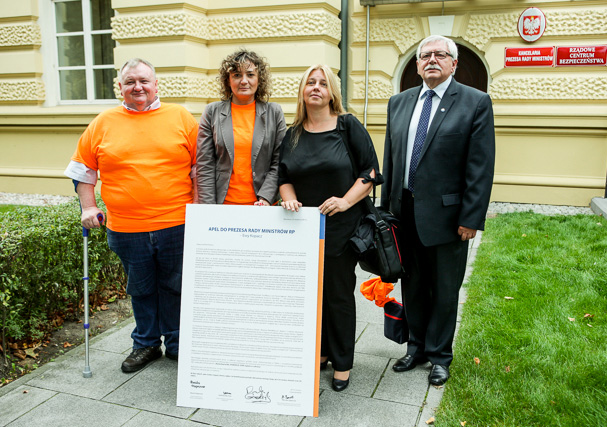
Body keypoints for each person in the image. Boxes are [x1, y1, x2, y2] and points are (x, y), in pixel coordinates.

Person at [64, 58, 198, 373]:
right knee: (141, 287)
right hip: (126, 227)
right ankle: (146, 344)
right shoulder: (102, 122)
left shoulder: (180, 117)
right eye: (130, 82)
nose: (137, 87)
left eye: (144, 81)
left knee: (175, 285)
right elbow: (83, 171)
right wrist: (88, 206)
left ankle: (178, 343)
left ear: (156, 84)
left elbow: (199, 170)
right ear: (120, 87)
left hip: (177, 223)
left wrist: (200, 209)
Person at [380, 35, 495, 385]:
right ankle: (416, 348)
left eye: (440, 55)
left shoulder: (475, 102)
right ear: (417, 65)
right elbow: (392, 157)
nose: (432, 59)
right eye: (425, 55)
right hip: (405, 213)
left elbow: (480, 166)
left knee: (445, 289)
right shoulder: (398, 103)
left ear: (453, 63)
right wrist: (385, 211)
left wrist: (471, 217)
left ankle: (440, 356)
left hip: (448, 218)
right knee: (412, 285)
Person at [278, 65, 382, 392]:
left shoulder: (347, 126)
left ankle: (343, 362)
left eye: (323, 83)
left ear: (332, 91)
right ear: (302, 90)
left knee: (337, 296)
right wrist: (289, 200)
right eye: (311, 82)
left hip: (340, 228)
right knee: (311, 295)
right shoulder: (292, 134)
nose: (316, 88)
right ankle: (321, 351)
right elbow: (284, 179)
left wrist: (345, 201)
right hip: (303, 230)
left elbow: (371, 172)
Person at [196, 49, 286, 206]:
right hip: (222, 206)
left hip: (262, 206)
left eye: (250, 74)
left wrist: (266, 197)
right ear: (228, 80)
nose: (244, 81)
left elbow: (279, 161)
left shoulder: (274, 112)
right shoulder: (212, 112)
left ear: (259, 79)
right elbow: (205, 165)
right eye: (237, 75)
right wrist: (208, 208)